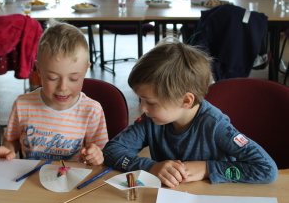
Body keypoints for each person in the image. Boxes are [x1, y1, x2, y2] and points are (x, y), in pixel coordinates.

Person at [103, 37, 278, 187]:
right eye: (140, 100)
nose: (142, 108)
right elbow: (112, 150)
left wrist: (207, 169)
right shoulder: (152, 119)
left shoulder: (216, 126)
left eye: (150, 102)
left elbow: (266, 169)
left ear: (186, 101)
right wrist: (150, 167)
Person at [0, 19, 108, 165]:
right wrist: (6, 149)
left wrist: (96, 156)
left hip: (71, 184)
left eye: (73, 78)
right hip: (30, 180)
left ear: (85, 71)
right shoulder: (22, 105)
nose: (62, 87)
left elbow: (101, 157)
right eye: (53, 78)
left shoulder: (92, 111)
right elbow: (12, 139)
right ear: (39, 70)